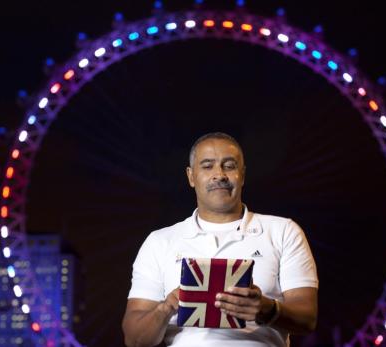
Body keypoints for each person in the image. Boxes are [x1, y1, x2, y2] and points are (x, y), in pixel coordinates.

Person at [122, 132, 318, 347]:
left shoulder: (283, 231)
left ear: (242, 175)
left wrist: (266, 309)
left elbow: (307, 319)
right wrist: (166, 307)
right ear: (191, 176)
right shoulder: (160, 241)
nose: (219, 175)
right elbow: (134, 339)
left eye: (229, 165)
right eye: (207, 166)